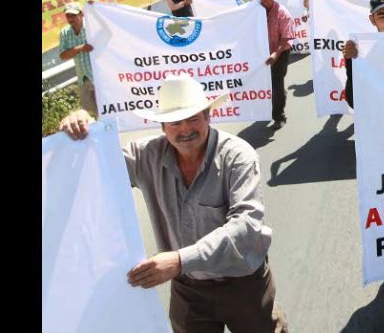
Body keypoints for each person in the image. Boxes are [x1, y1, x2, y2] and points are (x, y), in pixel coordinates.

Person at [57, 75, 286, 333]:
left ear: (208, 117)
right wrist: (82, 132)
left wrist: (179, 260)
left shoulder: (238, 156)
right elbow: (94, 169)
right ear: (163, 126)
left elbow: (246, 227)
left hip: (243, 282)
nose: (185, 129)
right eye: (175, 122)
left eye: (193, 119)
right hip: (188, 288)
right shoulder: (146, 155)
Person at [258, 0, 294, 130]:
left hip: (281, 51)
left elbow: (285, 38)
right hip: (262, 51)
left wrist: (275, 54)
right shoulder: (257, 10)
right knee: (268, 83)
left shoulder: (283, 14)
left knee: (277, 83)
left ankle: (279, 116)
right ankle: (276, 100)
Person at [58, 2, 97, 117]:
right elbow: (63, 56)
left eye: (73, 15)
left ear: (81, 14)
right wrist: (81, 48)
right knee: (90, 114)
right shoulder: (65, 32)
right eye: (68, 16)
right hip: (83, 78)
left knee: (107, 109)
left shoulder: (92, 27)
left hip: (98, 76)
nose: (70, 18)